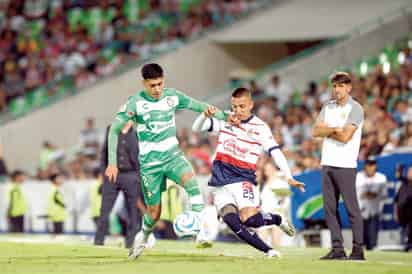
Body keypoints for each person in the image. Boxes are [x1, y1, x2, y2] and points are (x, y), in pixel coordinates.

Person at [105, 63, 229, 259]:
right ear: (144, 83)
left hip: (173, 157)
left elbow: (201, 106)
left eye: (160, 84)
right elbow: (114, 130)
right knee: (154, 213)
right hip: (150, 165)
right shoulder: (135, 103)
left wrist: (227, 117)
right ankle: (144, 236)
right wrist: (112, 163)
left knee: (193, 184)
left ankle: (199, 232)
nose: (157, 89)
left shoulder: (172, 96)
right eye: (152, 85)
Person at [192, 87, 305, 258]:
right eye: (235, 106)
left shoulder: (260, 127)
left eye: (242, 106)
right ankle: (269, 250)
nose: (237, 110)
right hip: (220, 180)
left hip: (243, 178)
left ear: (251, 105)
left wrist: (288, 176)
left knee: (250, 220)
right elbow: (197, 127)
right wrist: (204, 115)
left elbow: (275, 152)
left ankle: (277, 220)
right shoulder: (226, 119)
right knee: (231, 221)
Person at [312, 72, 365, 260]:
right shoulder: (328, 106)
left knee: (351, 208)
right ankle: (337, 249)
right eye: (335, 86)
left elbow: (345, 137)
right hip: (327, 163)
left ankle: (358, 249)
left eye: (341, 86)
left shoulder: (356, 108)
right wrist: (334, 129)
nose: (337, 90)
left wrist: (328, 131)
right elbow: (315, 131)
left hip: (345, 165)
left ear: (349, 88)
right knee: (329, 208)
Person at [94, 121, 142, 249]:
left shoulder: (136, 134)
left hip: (130, 175)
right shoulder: (111, 130)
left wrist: (138, 176)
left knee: (133, 211)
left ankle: (130, 243)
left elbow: (139, 156)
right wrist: (104, 173)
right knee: (105, 210)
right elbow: (103, 153)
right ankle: (98, 242)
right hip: (112, 174)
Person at [356, 157, 386, 250]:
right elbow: (360, 194)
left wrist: (369, 194)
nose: (370, 167)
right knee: (360, 240)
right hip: (360, 212)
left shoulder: (381, 178)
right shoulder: (359, 176)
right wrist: (369, 194)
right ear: (365, 166)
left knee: (372, 241)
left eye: (372, 165)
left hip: (374, 212)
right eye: (369, 165)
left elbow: (379, 195)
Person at [394, 165, 412, 252]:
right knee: (403, 233)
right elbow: (397, 201)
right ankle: (405, 246)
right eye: (409, 171)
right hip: (403, 216)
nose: (410, 173)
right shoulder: (404, 184)